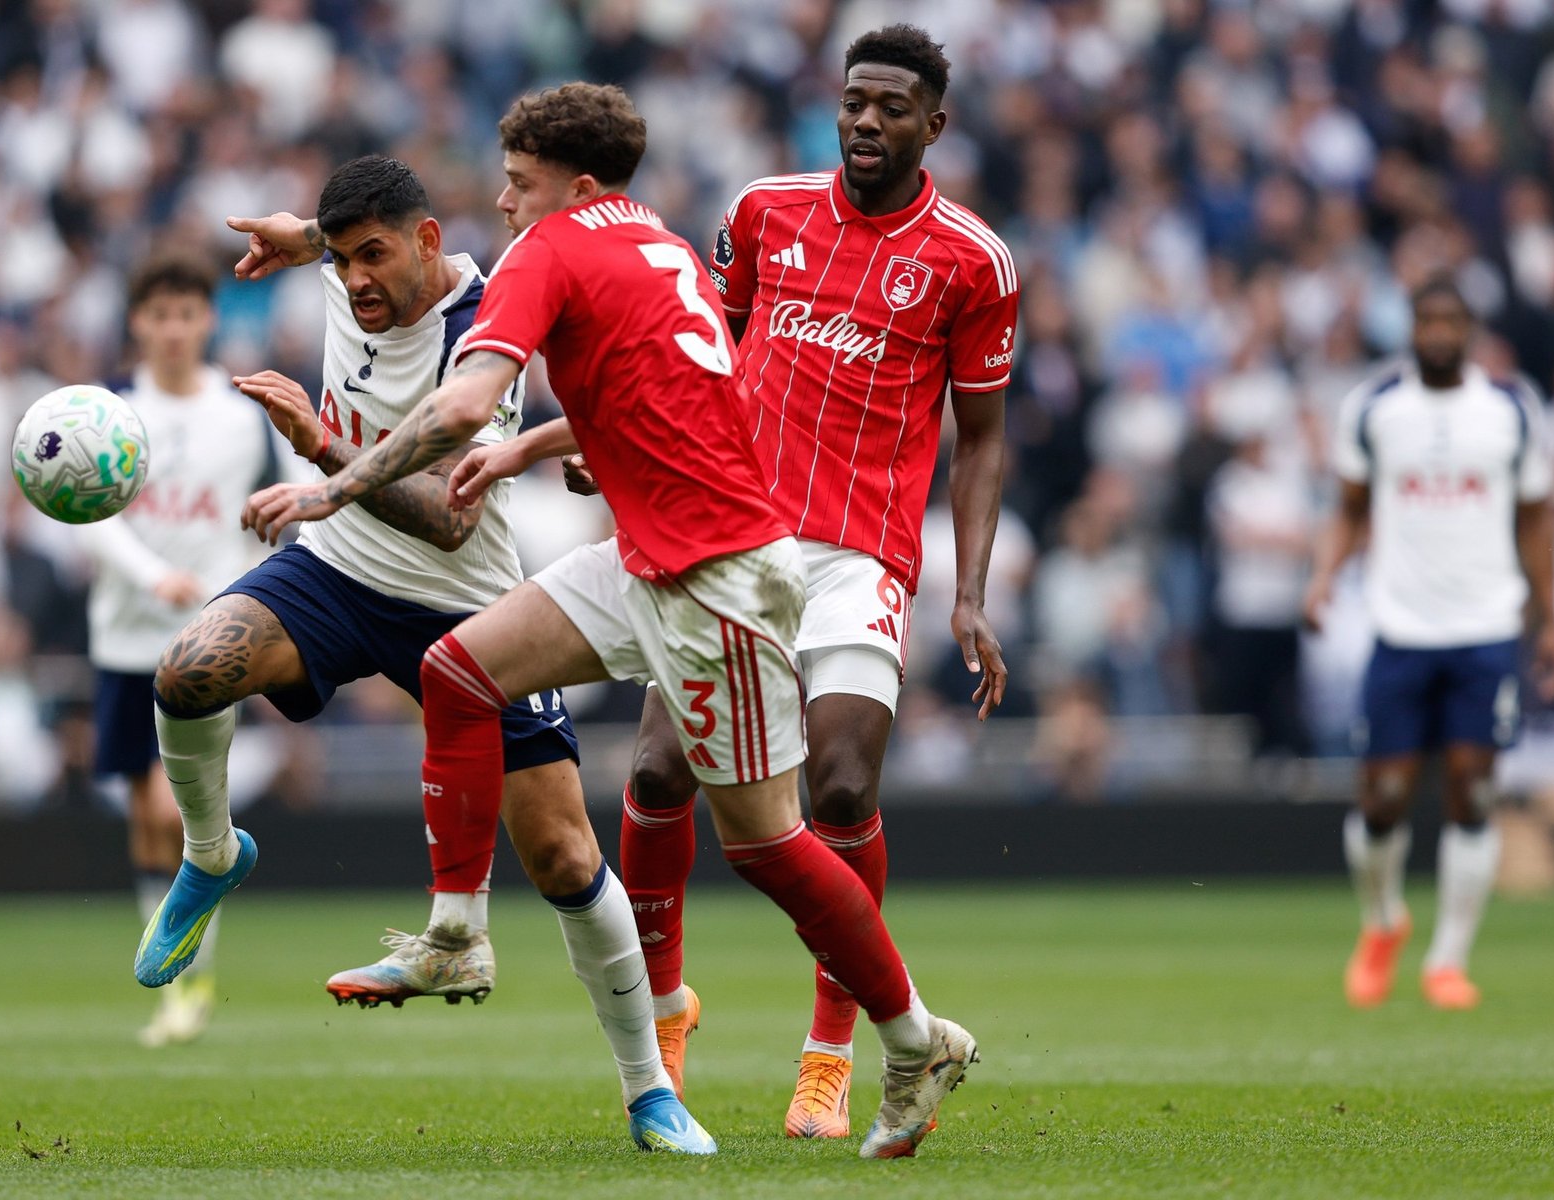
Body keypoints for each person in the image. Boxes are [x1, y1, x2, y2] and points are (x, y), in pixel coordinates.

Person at [235, 81, 976, 1160]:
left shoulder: (552, 245)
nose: (502, 202)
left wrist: (329, 486)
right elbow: (638, 387)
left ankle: (912, 1038)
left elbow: (452, 401)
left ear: (573, 186)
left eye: (519, 183)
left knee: (767, 843)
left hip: (711, 577)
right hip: (652, 552)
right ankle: (456, 933)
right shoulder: (652, 241)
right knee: (458, 670)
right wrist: (530, 450)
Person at [132, 155, 713, 1153]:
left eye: (373, 259)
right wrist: (299, 235)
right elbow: (340, 235)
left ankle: (650, 1090)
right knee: (188, 670)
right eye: (343, 258)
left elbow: (447, 523)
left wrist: (324, 453)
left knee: (567, 856)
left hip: (464, 606)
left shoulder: (480, 334)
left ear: (427, 245)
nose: (355, 281)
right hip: (336, 575)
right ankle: (213, 853)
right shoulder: (347, 261)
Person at [595, 23, 1016, 1139]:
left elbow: (983, 442)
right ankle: (667, 1010)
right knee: (656, 769)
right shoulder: (762, 212)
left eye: (890, 107)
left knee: (836, 791)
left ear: (935, 124)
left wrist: (968, 593)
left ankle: (831, 1054)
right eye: (852, 101)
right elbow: (701, 353)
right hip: (731, 538)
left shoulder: (973, 261)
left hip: (862, 554)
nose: (865, 121)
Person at [1304, 275, 1554, 1011]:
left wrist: (1549, 619)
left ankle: (1448, 960)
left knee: (1472, 790)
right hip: (1402, 626)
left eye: (1452, 321)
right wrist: (1324, 576)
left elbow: (1537, 519)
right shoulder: (1377, 408)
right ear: (1412, 328)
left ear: (1471, 330)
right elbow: (1350, 508)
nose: (1439, 332)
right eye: (1428, 320)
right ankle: (1384, 920)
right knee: (1382, 798)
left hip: (1486, 627)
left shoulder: (1510, 410)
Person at [82, 254, 281, 1047]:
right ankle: (178, 979)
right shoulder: (107, 416)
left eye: (186, 314)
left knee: (181, 811)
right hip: (123, 638)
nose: (171, 330)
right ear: (137, 322)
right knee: (145, 818)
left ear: (207, 320)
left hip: (206, 643)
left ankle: (190, 978)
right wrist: (150, 573)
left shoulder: (240, 416)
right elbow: (88, 517)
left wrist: (247, 594)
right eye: (157, 315)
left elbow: (276, 507)